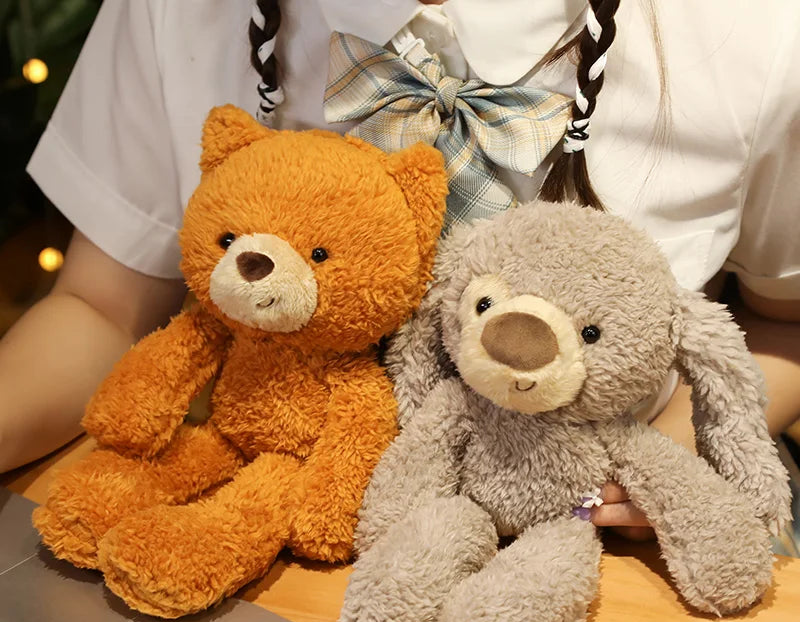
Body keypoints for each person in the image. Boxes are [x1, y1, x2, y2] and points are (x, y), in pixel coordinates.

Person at [1, 0, 798, 542]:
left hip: (586, 559)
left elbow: (782, 323)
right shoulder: (180, 13)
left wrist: (669, 455)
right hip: (280, 537)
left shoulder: (752, 34)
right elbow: (102, 305)